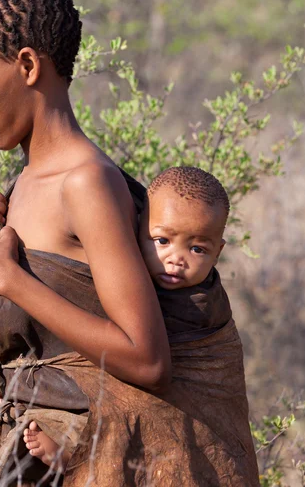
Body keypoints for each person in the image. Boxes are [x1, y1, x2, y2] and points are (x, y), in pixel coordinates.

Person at [0, 0, 172, 485]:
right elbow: (14, 356)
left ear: (28, 65)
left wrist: (12, 279)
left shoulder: (86, 183)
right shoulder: (21, 186)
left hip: (97, 463)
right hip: (37, 457)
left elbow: (147, 361)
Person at [23, 166, 259, 486]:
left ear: (218, 253)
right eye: (162, 240)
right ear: (134, 231)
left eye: (197, 249)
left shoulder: (206, 309)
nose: (176, 259)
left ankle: (79, 455)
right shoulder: (125, 282)